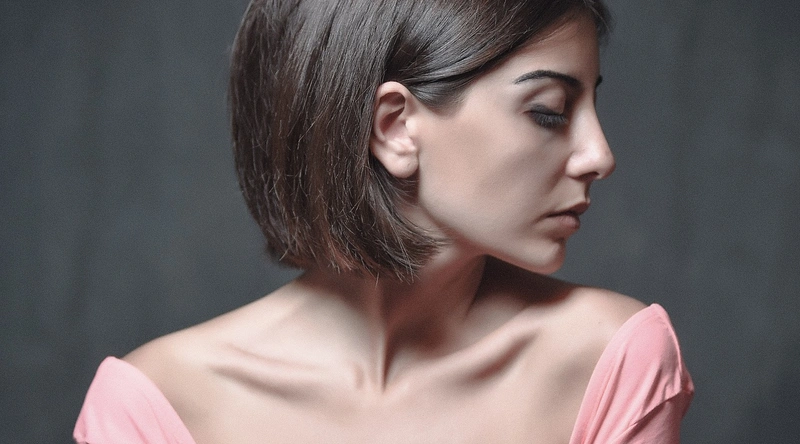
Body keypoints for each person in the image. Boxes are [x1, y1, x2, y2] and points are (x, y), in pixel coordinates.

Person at [74, 0, 694, 442]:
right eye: (550, 110)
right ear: (395, 127)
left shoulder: (607, 360)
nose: (600, 156)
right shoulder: (157, 406)